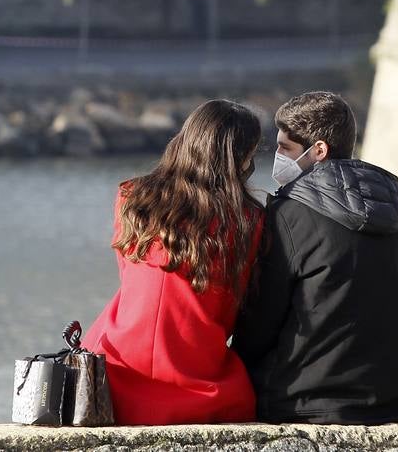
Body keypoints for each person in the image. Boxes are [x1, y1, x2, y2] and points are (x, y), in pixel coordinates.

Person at [232, 91, 398, 426]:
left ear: (318, 151)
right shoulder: (396, 218)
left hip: (310, 401)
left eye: (285, 148)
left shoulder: (289, 215)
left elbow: (261, 322)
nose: (276, 156)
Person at [83, 99, 265, 426]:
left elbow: (132, 278)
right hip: (200, 384)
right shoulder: (248, 221)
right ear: (238, 158)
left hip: (114, 373)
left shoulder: (132, 198)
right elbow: (237, 310)